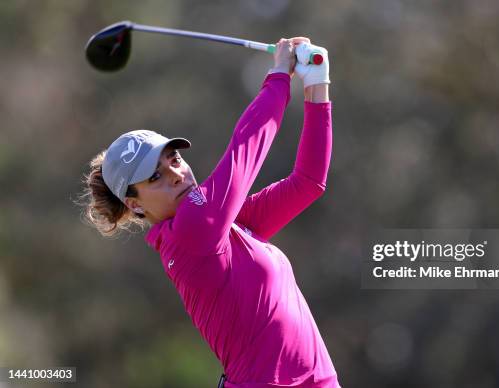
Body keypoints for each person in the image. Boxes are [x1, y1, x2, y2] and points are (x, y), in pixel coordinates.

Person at [79, 37, 339, 387]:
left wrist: (316, 86)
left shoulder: (228, 227)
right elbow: (244, 149)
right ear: (134, 203)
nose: (176, 175)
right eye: (155, 177)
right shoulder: (192, 232)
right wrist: (279, 75)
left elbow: (307, 182)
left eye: (174, 159)